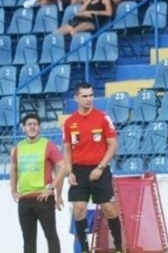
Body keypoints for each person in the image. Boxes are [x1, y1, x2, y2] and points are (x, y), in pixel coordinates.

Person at [63, 82, 124, 253]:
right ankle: (84, 249)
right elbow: (66, 149)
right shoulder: (69, 122)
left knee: (109, 209)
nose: (88, 99)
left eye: (91, 95)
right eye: (84, 96)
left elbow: (113, 144)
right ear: (76, 98)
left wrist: (100, 167)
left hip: (100, 169)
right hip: (78, 170)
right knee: (79, 210)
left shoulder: (103, 117)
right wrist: (69, 172)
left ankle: (119, 248)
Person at [11, 112, 64, 253]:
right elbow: (13, 168)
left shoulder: (48, 145)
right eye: (29, 124)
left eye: (35, 124)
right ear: (24, 128)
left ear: (39, 127)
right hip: (24, 199)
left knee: (51, 235)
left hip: (43, 198)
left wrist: (52, 188)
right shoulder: (18, 147)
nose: (32, 127)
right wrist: (13, 190)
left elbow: (63, 166)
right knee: (28, 239)